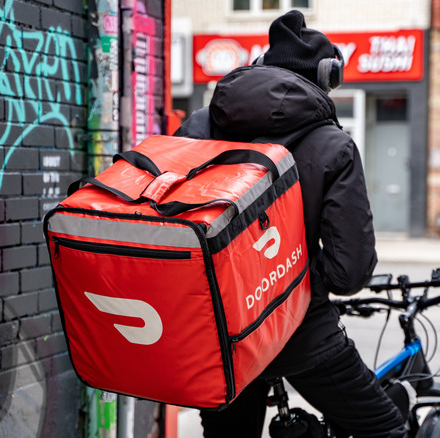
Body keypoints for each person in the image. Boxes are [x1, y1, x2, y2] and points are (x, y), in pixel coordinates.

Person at [174, 10, 408, 438]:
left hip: (216, 331)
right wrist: (293, 278)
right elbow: (349, 272)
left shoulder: (198, 126)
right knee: (385, 429)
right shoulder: (333, 145)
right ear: (326, 77)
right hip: (298, 333)